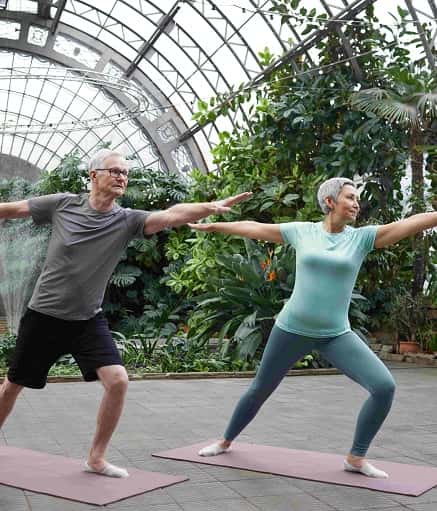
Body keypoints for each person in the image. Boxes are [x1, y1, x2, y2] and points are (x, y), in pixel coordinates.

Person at [0, 148, 251, 478]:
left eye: (125, 173)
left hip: (87, 319)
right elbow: (11, 209)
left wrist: (209, 207)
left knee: (117, 381)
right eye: (115, 171)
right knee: (12, 386)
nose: (121, 177)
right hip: (44, 315)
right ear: (94, 175)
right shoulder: (63, 204)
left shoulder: (127, 220)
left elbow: (170, 214)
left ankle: (96, 458)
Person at [190, 177, 437, 479]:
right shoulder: (302, 232)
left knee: (384, 387)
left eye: (357, 198)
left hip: (336, 334)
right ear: (330, 202)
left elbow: (411, 223)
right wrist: (215, 226)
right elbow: (255, 228)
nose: (357, 203)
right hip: (291, 329)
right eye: (350, 197)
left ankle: (356, 457)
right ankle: (225, 441)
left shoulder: (362, 238)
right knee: (260, 390)